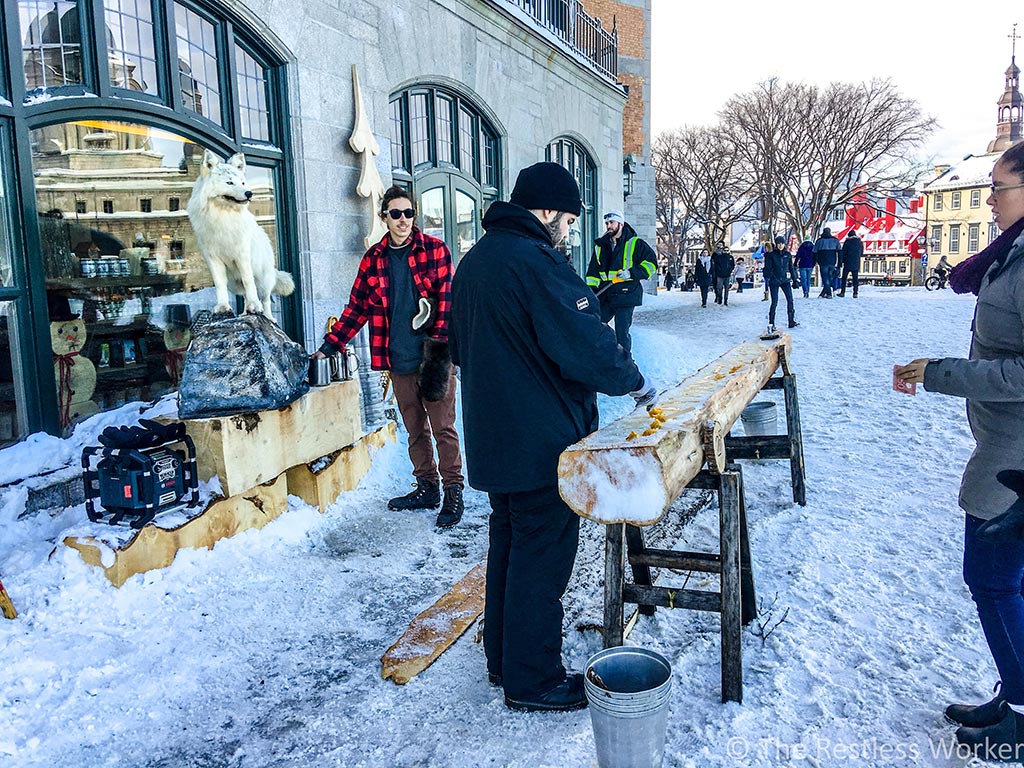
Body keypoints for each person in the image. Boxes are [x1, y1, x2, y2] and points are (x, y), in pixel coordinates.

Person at [448, 161, 658, 713]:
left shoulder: (474, 263)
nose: (567, 231)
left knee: (510, 548)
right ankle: (533, 678)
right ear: (545, 212)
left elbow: (458, 348)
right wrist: (633, 381)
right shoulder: (536, 261)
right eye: (565, 220)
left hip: (495, 439)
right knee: (542, 560)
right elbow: (584, 341)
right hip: (540, 441)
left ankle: (504, 659)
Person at [895, 141, 1024, 759]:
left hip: (1016, 462)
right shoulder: (1012, 254)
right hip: (1005, 446)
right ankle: (1017, 693)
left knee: (994, 580)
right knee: (1009, 582)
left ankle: (1022, 717)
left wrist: (940, 373)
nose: (991, 200)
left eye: (999, 188)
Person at [314, 186, 465, 528]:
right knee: (414, 429)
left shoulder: (435, 251)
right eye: (395, 214)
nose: (403, 220)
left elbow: (448, 305)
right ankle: (427, 486)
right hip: (397, 360)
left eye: (408, 213)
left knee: (443, 428)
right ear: (384, 217)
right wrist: (329, 346)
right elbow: (356, 310)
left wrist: (439, 355)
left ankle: (454, 490)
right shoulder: (373, 260)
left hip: (434, 359)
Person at [585, 210, 657, 353]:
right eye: (607, 223)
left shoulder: (636, 244)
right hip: (606, 295)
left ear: (620, 223)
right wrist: (593, 293)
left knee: (621, 333)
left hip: (626, 295)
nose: (608, 226)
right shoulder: (601, 246)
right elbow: (593, 273)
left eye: (611, 223)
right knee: (596, 326)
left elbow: (651, 264)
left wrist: (631, 273)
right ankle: (605, 355)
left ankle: (625, 364)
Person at [763, 235, 798, 331]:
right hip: (774, 281)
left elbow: (791, 268)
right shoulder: (771, 255)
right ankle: (771, 323)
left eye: (782, 243)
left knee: (790, 300)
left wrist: (795, 280)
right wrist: (772, 277)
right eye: (778, 243)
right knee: (774, 302)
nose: (780, 245)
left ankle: (791, 320)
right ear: (776, 244)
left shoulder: (787, 255)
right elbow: (768, 269)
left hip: (785, 281)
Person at [813, 227, 841, 298]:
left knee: (825, 277)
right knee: (829, 277)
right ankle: (825, 293)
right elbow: (840, 252)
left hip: (822, 261)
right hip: (832, 261)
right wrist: (839, 264)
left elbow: (814, 252)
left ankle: (827, 293)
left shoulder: (819, 241)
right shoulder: (835, 240)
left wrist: (814, 262)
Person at [839, 230, 863, 298]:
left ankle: (842, 292)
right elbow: (861, 253)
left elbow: (843, 252)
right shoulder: (859, 242)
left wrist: (841, 261)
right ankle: (855, 293)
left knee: (844, 278)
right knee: (855, 278)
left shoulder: (847, 242)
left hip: (847, 262)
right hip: (856, 262)